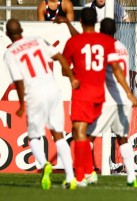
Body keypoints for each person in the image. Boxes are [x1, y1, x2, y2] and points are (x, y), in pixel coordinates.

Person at [54, 16, 137, 187]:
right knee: (123, 138)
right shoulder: (121, 47)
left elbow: (84, 44)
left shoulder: (102, 45)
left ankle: (86, 174)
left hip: (107, 98)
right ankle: (132, 177)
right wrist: (130, 94)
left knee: (85, 137)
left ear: (100, 31)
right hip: (123, 99)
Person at [4, 19, 79, 190]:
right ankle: (70, 177)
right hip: (53, 89)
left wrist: (22, 104)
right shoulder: (37, 40)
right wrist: (72, 77)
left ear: (7, 35)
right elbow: (59, 56)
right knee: (58, 134)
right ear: (22, 31)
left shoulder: (10, 53)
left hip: (34, 94)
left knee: (34, 137)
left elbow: (19, 81)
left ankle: (44, 163)